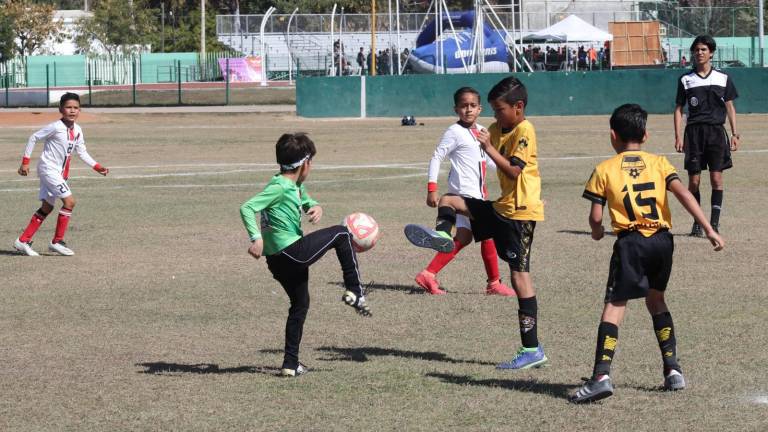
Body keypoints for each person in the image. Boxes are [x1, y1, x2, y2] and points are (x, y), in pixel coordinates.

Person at [570, 104, 725, 404]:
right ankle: (673, 370)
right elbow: (683, 195)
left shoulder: (604, 169)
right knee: (656, 300)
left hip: (631, 242)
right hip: (662, 241)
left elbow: (595, 216)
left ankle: (601, 376)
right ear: (646, 134)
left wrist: (596, 231)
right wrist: (708, 228)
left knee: (615, 304)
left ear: (613, 136)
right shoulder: (660, 163)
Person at [404, 77, 547, 370]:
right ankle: (442, 235)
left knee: (521, 278)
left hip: (519, 214)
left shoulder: (525, 129)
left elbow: (514, 170)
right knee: (449, 200)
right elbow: (492, 159)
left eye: (499, 109)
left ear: (518, 108)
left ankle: (531, 348)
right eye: (493, 110)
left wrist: (488, 147)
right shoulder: (493, 129)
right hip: (500, 207)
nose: (494, 116)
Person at [239, 133, 371, 377]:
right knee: (342, 234)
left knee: (300, 304)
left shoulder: (292, 183)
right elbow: (247, 207)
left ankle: (291, 364)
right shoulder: (279, 187)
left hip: (278, 262)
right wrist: (255, 238)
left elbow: (303, 195)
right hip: (292, 253)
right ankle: (355, 290)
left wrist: (314, 205)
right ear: (305, 164)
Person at [414, 87, 516, 297]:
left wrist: (512, 176)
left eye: (472, 106)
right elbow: (437, 156)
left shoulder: (481, 131)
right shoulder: (454, 131)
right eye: (463, 106)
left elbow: (489, 161)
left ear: (480, 109)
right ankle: (494, 283)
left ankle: (428, 274)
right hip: (464, 195)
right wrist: (431, 188)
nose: (468, 110)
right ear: (456, 109)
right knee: (489, 233)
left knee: (464, 237)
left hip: (477, 195)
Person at [13, 92, 109, 257]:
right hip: (48, 169)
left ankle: (23, 241)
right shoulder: (56, 127)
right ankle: (57, 241)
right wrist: (25, 162)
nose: (72, 111)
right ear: (61, 109)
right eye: (68, 107)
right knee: (70, 202)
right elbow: (34, 137)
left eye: (76, 108)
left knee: (47, 207)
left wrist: (97, 166)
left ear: (80, 110)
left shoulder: (78, 130)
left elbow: (82, 152)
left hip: (58, 172)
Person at [674, 35, 739, 237]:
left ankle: (714, 223)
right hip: (693, 134)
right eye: (696, 50)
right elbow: (678, 109)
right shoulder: (686, 79)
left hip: (716, 133)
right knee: (694, 181)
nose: (699, 53)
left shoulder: (723, 77)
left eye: (703, 49)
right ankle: (697, 222)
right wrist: (678, 136)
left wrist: (735, 133)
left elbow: (730, 106)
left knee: (716, 179)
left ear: (711, 52)